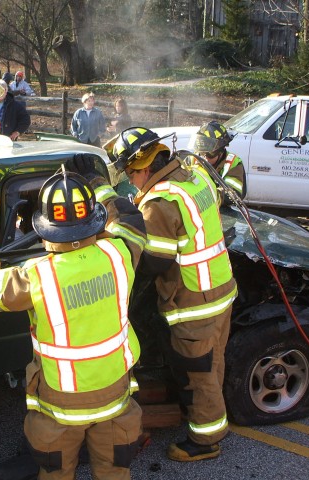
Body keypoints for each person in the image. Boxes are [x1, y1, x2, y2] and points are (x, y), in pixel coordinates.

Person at [0, 157, 147, 479]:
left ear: (44, 228)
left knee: (55, 474)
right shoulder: (120, 254)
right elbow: (131, 221)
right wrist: (98, 183)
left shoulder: (37, 276)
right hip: (115, 398)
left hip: (61, 409)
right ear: (95, 220)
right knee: (115, 473)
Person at [110, 127, 238, 462]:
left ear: (144, 168)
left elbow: (153, 261)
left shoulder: (159, 203)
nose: (131, 181)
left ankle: (206, 441)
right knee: (213, 363)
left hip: (195, 303)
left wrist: (121, 227)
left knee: (198, 373)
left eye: (130, 174)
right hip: (221, 289)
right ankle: (208, 415)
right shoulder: (194, 177)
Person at [190, 121, 246, 200]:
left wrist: (205, 197)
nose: (204, 158)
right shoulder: (191, 159)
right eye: (201, 152)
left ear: (221, 151)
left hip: (221, 209)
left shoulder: (233, 163)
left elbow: (233, 193)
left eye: (209, 154)